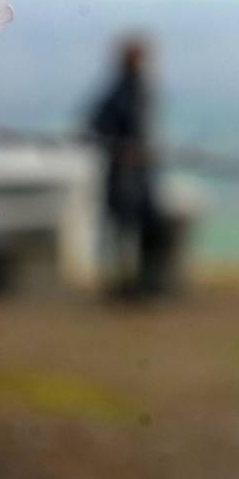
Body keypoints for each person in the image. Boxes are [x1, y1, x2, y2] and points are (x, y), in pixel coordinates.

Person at [87, 36, 167, 298]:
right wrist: (121, 149)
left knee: (146, 227)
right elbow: (97, 125)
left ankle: (145, 282)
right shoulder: (120, 92)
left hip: (141, 174)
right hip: (122, 174)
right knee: (122, 229)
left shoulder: (139, 89)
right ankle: (124, 285)